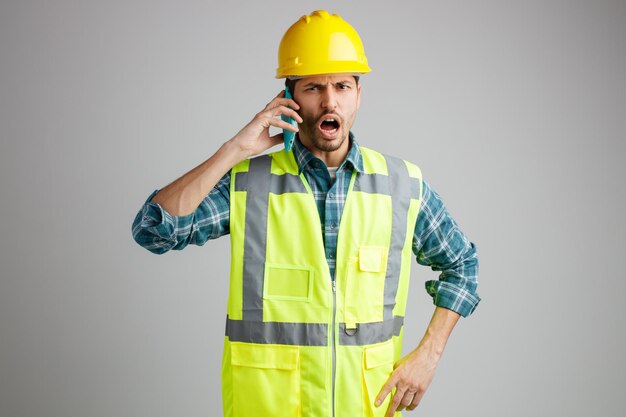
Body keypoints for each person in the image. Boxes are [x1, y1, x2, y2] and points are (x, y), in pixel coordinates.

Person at [132, 10, 480, 417]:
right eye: (314, 87)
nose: (330, 100)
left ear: (358, 95)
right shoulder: (247, 184)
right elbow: (154, 230)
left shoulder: (402, 185)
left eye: (342, 86)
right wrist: (234, 149)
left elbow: (463, 265)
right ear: (289, 98)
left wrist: (429, 355)